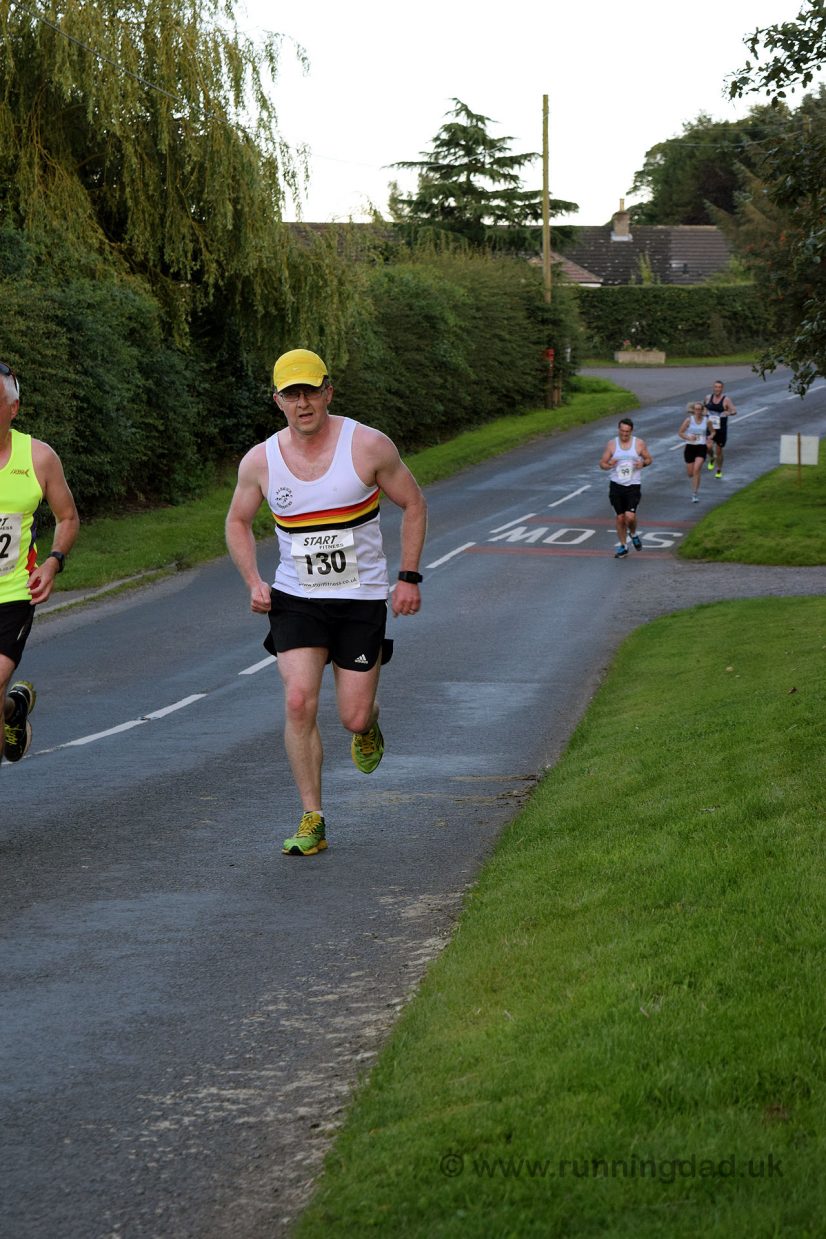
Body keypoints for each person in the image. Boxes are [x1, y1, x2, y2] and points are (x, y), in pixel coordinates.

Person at [225, 348, 427, 857]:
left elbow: (414, 503)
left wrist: (407, 578)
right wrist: (253, 579)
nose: (302, 402)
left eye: (310, 390)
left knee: (353, 717)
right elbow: (236, 521)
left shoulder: (368, 446)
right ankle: (312, 816)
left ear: (328, 392)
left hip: (360, 599)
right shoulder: (261, 460)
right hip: (296, 598)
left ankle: (370, 723)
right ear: (277, 401)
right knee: (297, 701)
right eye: (291, 394)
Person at [1, 361, 79, 765]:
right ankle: (13, 711)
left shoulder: (38, 457)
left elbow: (68, 517)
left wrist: (52, 562)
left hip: (13, 595)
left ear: (13, 408)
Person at [599, 417, 653, 557]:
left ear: (631, 431)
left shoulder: (639, 444)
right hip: (616, 485)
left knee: (629, 517)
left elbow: (649, 459)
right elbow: (602, 464)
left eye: (627, 432)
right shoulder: (612, 444)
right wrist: (609, 464)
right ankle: (623, 546)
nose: (624, 434)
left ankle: (633, 534)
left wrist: (643, 464)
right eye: (622, 431)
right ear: (618, 430)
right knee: (620, 518)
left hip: (633, 485)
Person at [678, 401, 715, 502]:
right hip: (690, 447)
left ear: (702, 411)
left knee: (696, 469)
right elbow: (680, 433)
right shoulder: (689, 420)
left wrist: (710, 437)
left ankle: (694, 494)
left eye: (700, 409)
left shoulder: (707, 421)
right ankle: (712, 458)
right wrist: (688, 436)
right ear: (693, 410)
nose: (698, 411)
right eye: (696, 409)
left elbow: (713, 432)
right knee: (690, 473)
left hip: (701, 447)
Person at [705, 379, 737, 478]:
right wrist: (704, 413)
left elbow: (734, 410)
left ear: (722, 388)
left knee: (719, 451)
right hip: (710, 427)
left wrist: (729, 413)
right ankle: (712, 458)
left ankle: (719, 470)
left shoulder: (726, 399)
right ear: (713, 388)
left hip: (721, 428)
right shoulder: (708, 397)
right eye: (716, 387)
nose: (717, 389)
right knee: (708, 447)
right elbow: (704, 408)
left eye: (719, 387)